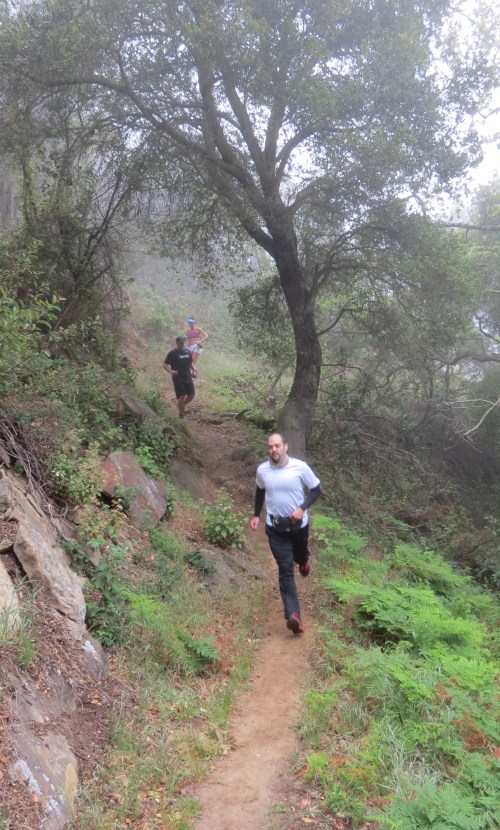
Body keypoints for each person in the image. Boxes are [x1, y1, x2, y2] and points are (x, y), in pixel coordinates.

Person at [250, 433, 321, 635]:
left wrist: (302, 508)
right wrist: (256, 514)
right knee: (285, 568)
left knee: (299, 558)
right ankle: (293, 616)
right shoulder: (262, 470)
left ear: (285, 446)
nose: (274, 450)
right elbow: (260, 490)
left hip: (298, 527)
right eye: (270, 447)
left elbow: (316, 490)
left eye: (277, 446)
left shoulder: (299, 467)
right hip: (275, 528)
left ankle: (304, 560)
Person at [163, 335, 197, 418]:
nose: (182, 344)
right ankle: (181, 415)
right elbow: (165, 364)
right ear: (177, 343)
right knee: (182, 395)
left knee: (191, 395)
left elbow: (190, 362)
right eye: (180, 342)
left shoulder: (187, 351)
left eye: (183, 342)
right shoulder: (172, 353)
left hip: (188, 376)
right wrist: (170, 371)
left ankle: (181, 405)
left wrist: (194, 369)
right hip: (178, 378)